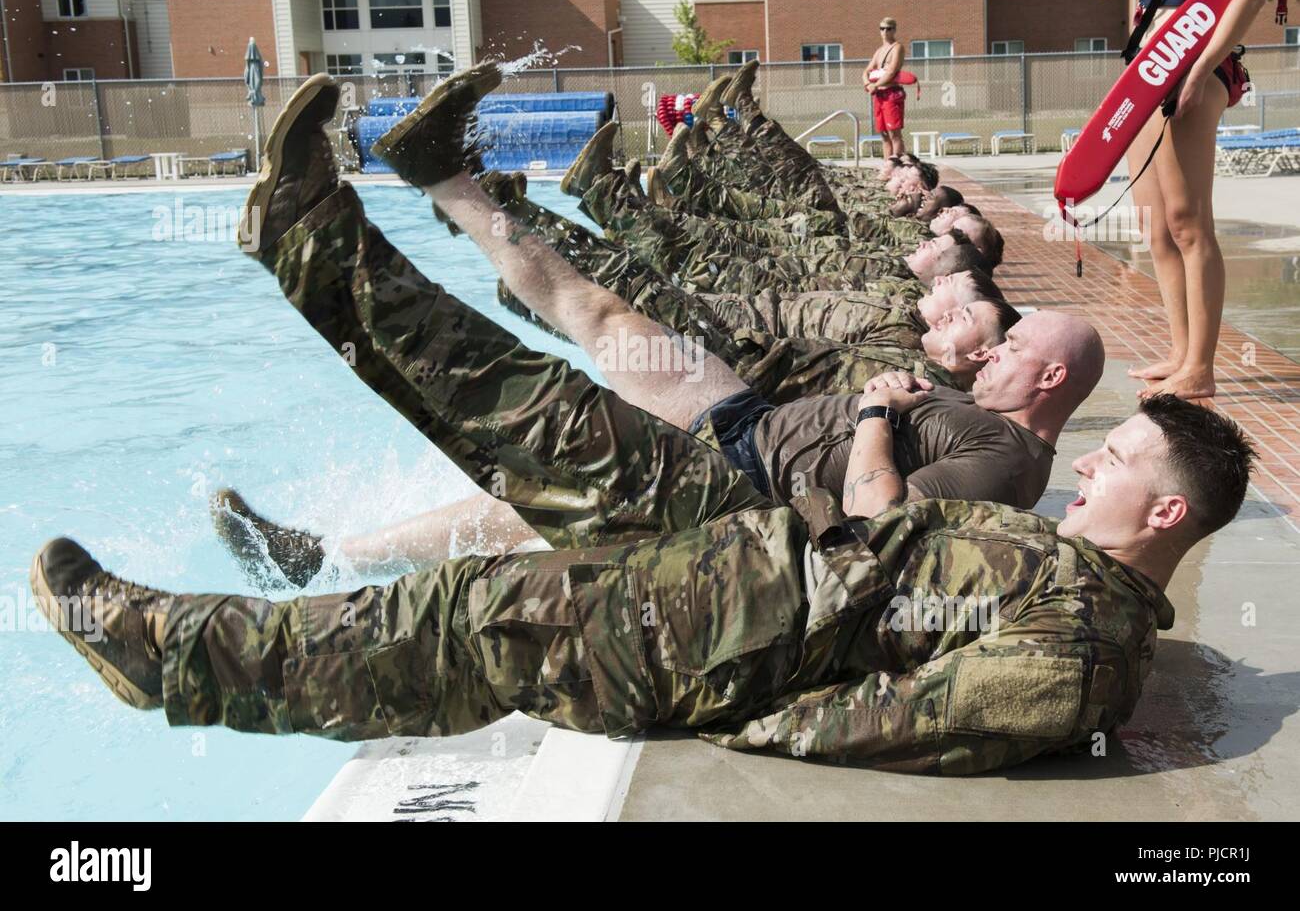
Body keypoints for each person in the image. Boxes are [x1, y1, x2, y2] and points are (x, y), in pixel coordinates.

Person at [28, 68, 1256, 771]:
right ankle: (312, 233)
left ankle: (171, 651)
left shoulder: (1087, 638)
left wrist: (742, 707)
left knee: (457, 623)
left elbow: (911, 724)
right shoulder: (1064, 566)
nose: (1087, 460)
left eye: (1116, 457)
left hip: (722, 614)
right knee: (524, 412)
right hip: (731, 549)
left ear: (1162, 510)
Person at [202, 69, 1094, 589]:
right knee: (594, 309)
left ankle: (311, 237)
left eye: (1012, 348)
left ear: (1048, 383)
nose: (994, 351)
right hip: (740, 418)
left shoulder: (1008, 460)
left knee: (520, 429)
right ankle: (443, 175)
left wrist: (871, 414)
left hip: (726, 478)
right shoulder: (986, 421)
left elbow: (876, 524)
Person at [1093, 0, 1265, 399]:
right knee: (1157, 228)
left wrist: (1200, 68)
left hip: (1194, 65)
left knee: (1189, 223)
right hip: (1146, 73)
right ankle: (1179, 351)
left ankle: (1201, 367)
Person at [865, 17, 907, 157]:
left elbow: (891, 71)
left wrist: (875, 85)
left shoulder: (897, 48)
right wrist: (867, 84)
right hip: (879, 95)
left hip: (891, 94)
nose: (885, 31)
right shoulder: (879, 51)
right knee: (883, 134)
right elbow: (866, 71)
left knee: (894, 133)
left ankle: (898, 166)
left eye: (888, 28)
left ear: (894, 30)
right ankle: (887, 165)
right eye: (882, 28)